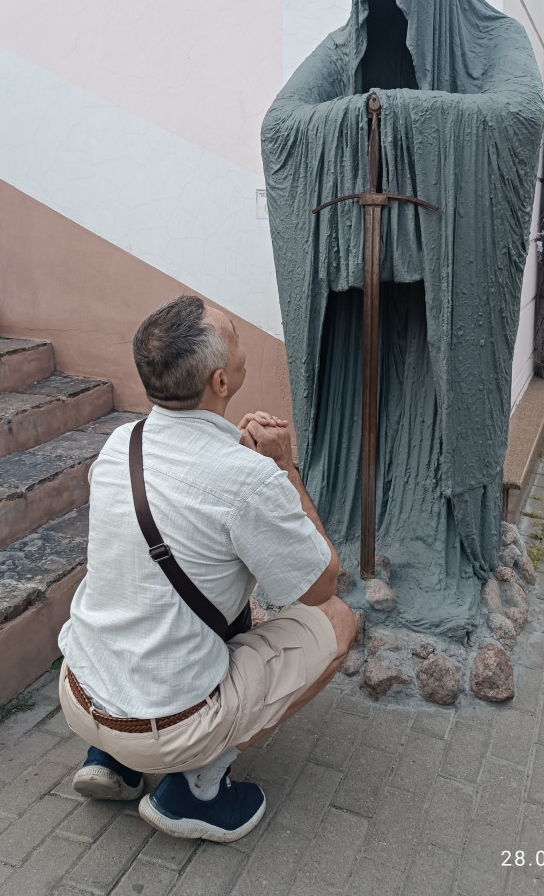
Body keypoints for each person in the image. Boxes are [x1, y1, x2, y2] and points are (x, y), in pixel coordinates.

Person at [57, 294, 356, 842]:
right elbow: (322, 584)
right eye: (236, 338)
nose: (241, 346)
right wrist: (284, 468)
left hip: (79, 693)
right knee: (338, 621)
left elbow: (193, 496)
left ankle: (112, 760)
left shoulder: (121, 442)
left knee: (166, 589)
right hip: (164, 729)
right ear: (221, 381)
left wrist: (240, 456)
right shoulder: (250, 478)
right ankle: (195, 789)